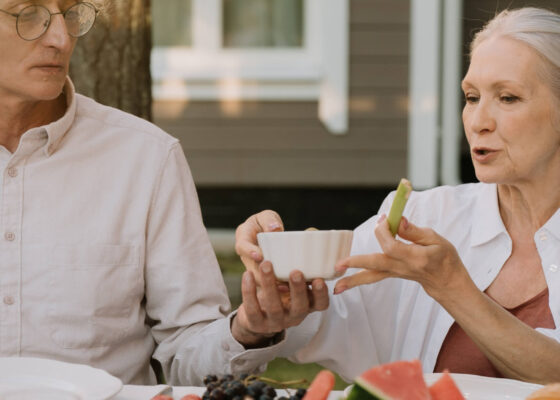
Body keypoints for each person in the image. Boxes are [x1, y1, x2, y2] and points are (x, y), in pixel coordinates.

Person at [233, 7, 560, 384]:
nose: (478, 122)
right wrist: (267, 305)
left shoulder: (434, 253)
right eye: (471, 97)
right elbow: (319, 314)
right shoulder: (423, 217)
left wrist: (454, 288)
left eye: (507, 98)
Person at [0, 0, 282, 386]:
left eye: (69, 13)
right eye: (29, 13)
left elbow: (188, 355)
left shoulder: (147, 158)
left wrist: (249, 328)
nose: (61, 38)